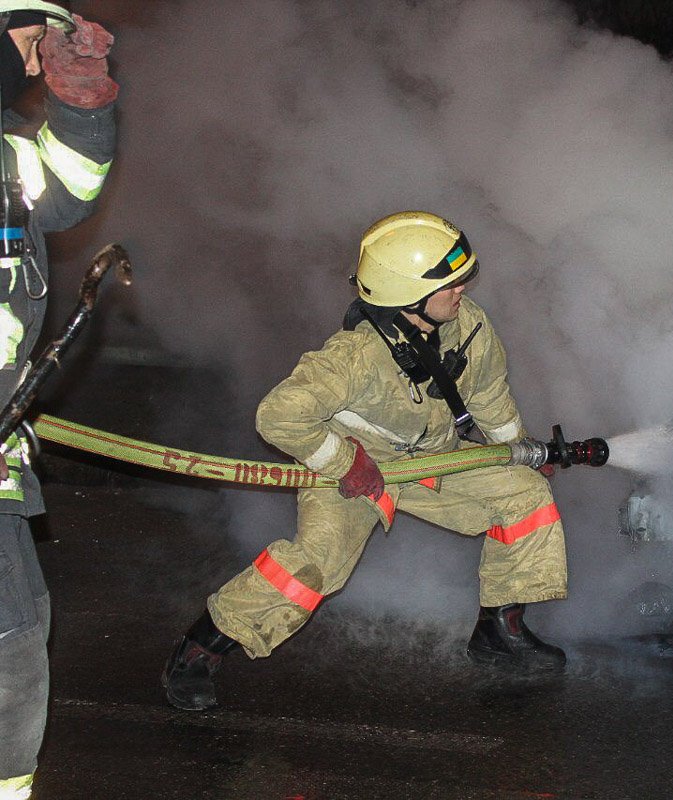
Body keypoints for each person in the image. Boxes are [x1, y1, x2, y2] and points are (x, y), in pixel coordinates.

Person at [162, 211, 570, 712]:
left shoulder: (469, 326)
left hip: (429, 459)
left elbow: (488, 394)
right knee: (315, 568)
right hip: (353, 471)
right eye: (449, 283)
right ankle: (201, 650)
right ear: (406, 295)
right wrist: (341, 462)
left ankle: (497, 635)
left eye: (462, 279)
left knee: (523, 496)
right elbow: (279, 416)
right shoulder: (353, 357)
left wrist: (521, 449)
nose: (462, 289)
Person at [0, 3, 118, 798]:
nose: (42, 56)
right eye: (28, 37)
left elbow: (68, 196)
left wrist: (84, 110)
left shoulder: (9, 145)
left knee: (15, 643)